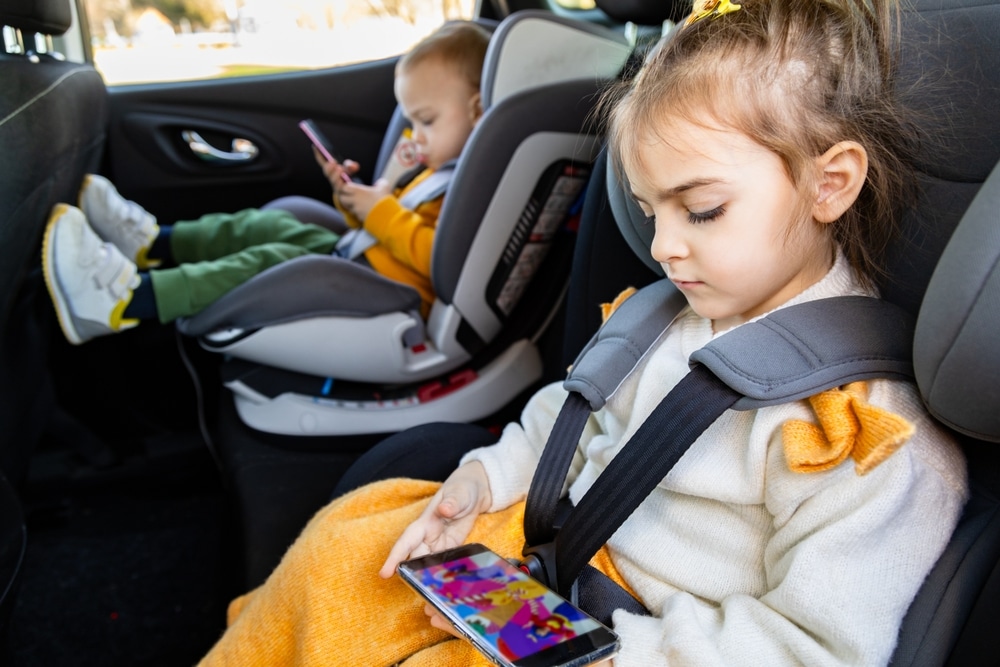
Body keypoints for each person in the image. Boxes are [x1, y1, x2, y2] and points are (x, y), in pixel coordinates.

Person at [196, 1, 969, 665]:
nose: (665, 245)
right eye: (650, 208)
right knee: (339, 555)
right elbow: (566, 418)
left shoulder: (870, 436)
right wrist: (485, 478)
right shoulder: (668, 311)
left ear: (828, 183)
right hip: (533, 567)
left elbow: (811, 645)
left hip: (638, 638)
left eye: (700, 210)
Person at [41, 21, 490, 345]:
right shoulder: (437, 167)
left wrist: (380, 210)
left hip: (393, 289)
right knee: (265, 226)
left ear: (476, 110)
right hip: (364, 254)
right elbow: (384, 223)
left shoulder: (468, 186)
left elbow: (439, 260)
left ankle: (125, 301)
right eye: (410, 120)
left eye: (425, 121)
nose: (414, 135)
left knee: (268, 257)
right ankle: (155, 243)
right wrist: (352, 197)